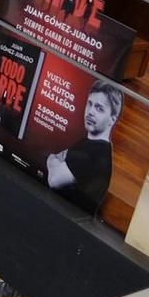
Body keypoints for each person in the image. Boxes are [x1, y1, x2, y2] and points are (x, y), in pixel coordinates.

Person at [46, 80, 122, 212]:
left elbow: (53, 179)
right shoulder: (88, 144)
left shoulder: (95, 153)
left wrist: (51, 159)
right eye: (90, 104)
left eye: (99, 108)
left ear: (112, 119)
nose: (91, 112)